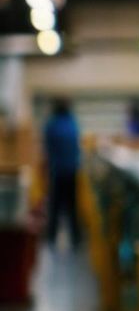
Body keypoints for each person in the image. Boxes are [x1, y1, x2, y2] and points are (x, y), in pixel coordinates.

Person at [43, 98, 82, 248]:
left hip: (57, 171)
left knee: (55, 207)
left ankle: (51, 237)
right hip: (72, 170)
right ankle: (76, 238)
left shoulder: (52, 124)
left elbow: (47, 148)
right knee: (72, 207)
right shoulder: (73, 123)